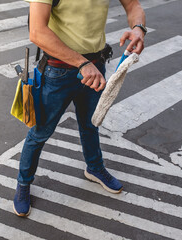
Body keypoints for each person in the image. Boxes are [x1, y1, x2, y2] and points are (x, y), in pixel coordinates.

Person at [13, 0, 146, 217]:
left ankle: (94, 167)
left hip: (96, 66)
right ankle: (23, 183)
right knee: (40, 133)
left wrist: (139, 28)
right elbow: (37, 32)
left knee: (90, 124)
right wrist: (82, 64)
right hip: (58, 72)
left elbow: (133, 5)